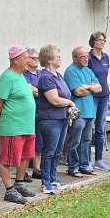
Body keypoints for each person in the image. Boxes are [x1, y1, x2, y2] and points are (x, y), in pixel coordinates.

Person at [0, 46, 36, 204]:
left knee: (25, 157)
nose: (29, 61)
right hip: (13, 127)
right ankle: (9, 191)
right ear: (16, 60)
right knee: (7, 160)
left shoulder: (21, 76)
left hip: (27, 126)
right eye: (26, 58)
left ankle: (19, 184)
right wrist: (0, 118)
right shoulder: (7, 77)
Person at [36, 45, 76, 193]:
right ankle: (45, 181)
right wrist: (70, 103)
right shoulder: (46, 77)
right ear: (49, 59)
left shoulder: (58, 75)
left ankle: (53, 177)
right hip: (50, 120)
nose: (60, 58)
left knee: (58, 151)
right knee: (49, 151)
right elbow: (54, 100)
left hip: (62, 118)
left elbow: (65, 95)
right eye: (57, 56)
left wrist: (69, 106)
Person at [64, 46, 101, 177]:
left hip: (90, 111)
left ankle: (84, 165)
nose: (86, 59)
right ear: (74, 58)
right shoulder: (70, 71)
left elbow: (99, 88)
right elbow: (78, 91)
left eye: (87, 56)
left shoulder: (88, 70)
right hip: (78, 112)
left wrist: (88, 87)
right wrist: (91, 87)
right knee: (75, 141)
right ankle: (73, 167)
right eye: (83, 57)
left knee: (86, 140)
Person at [87, 31, 110, 170]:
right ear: (93, 42)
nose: (102, 42)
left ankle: (99, 159)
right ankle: (88, 160)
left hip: (104, 95)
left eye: (104, 40)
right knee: (90, 127)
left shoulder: (106, 57)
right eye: (100, 40)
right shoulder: (88, 58)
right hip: (92, 96)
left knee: (101, 127)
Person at [22, 48, 42, 180]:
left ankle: (37, 169)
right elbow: (31, 91)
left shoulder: (41, 73)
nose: (36, 60)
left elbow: (39, 91)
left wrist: (40, 91)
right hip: (28, 113)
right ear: (26, 59)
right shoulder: (23, 75)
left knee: (39, 141)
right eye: (33, 58)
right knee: (26, 142)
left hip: (41, 112)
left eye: (37, 58)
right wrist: (45, 92)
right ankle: (22, 171)